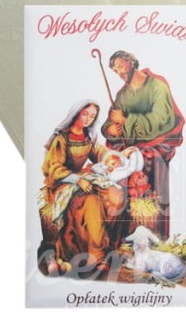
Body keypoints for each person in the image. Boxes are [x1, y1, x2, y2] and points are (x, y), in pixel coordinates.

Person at [101, 50, 185, 238]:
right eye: (115, 71)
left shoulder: (157, 85)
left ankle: (152, 233)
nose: (119, 73)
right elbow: (110, 122)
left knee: (144, 164)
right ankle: (123, 233)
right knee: (116, 166)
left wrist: (126, 121)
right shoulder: (122, 94)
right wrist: (111, 130)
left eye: (121, 66)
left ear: (131, 62)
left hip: (157, 144)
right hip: (132, 147)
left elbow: (162, 120)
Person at [38, 101, 125, 275]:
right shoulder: (61, 139)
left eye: (92, 116)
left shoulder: (88, 137)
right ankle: (96, 255)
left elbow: (100, 153)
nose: (87, 119)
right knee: (92, 202)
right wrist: (77, 180)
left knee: (116, 195)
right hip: (63, 183)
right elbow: (53, 169)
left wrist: (115, 158)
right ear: (76, 113)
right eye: (85, 114)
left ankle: (109, 246)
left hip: (83, 178)